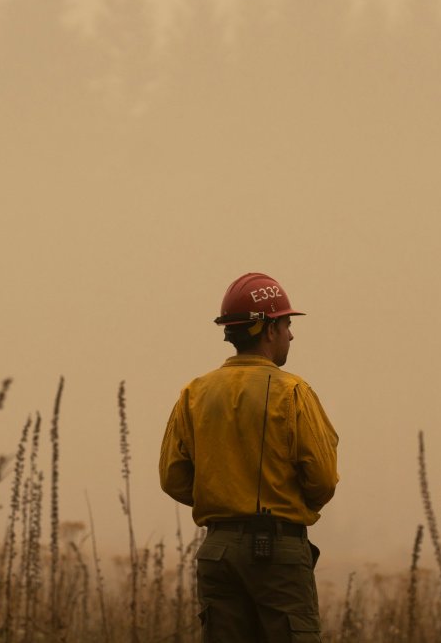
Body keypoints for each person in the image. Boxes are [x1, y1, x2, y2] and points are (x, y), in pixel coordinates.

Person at [159, 272, 339, 641]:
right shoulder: (293, 392)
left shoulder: (194, 392)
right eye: (287, 323)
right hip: (279, 554)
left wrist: (221, 496)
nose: (291, 333)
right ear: (269, 329)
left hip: (217, 551)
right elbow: (322, 478)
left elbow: (173, 478)